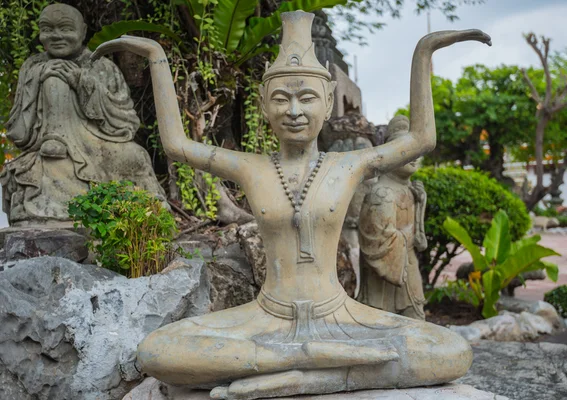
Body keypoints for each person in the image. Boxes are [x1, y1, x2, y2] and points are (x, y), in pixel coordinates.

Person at [93, 11, 491, 399]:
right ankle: (313, 362)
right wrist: (156, 57)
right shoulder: (252, 168)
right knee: (157, 351)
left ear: (328, 99)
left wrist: (424, 51)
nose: (295, 111)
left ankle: (304, 378)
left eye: (307, 98)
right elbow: (177, 146)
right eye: (282, 99)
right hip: (267, 319)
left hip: (342, 318)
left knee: (453, 352)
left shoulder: (350, 165)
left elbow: (421, 138)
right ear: (264, 103)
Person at [1, 4, 165, 226]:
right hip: (53, 150)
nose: (56, 35)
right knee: (52, 79)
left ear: (83, 31)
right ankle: (55, 137)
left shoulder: (102, 67)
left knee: (136, 157)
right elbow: (19, 129)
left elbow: (125, 120)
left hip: (98, 142)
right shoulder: (32, 66)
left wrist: (82, 83)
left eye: (65, 28)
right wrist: (40, 77)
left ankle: (145, 218)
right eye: (47, 29)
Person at [358, 115, 428, 320]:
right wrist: (406, 236)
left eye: (417, 150)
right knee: (382, 326)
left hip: (409, 266)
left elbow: (419, 240)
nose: (414, 156)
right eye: (405, 149)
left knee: (416, 321)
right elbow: (377, 241)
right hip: (385, 275)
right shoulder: (382, 193)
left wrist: (421, 204)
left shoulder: (411, 190)